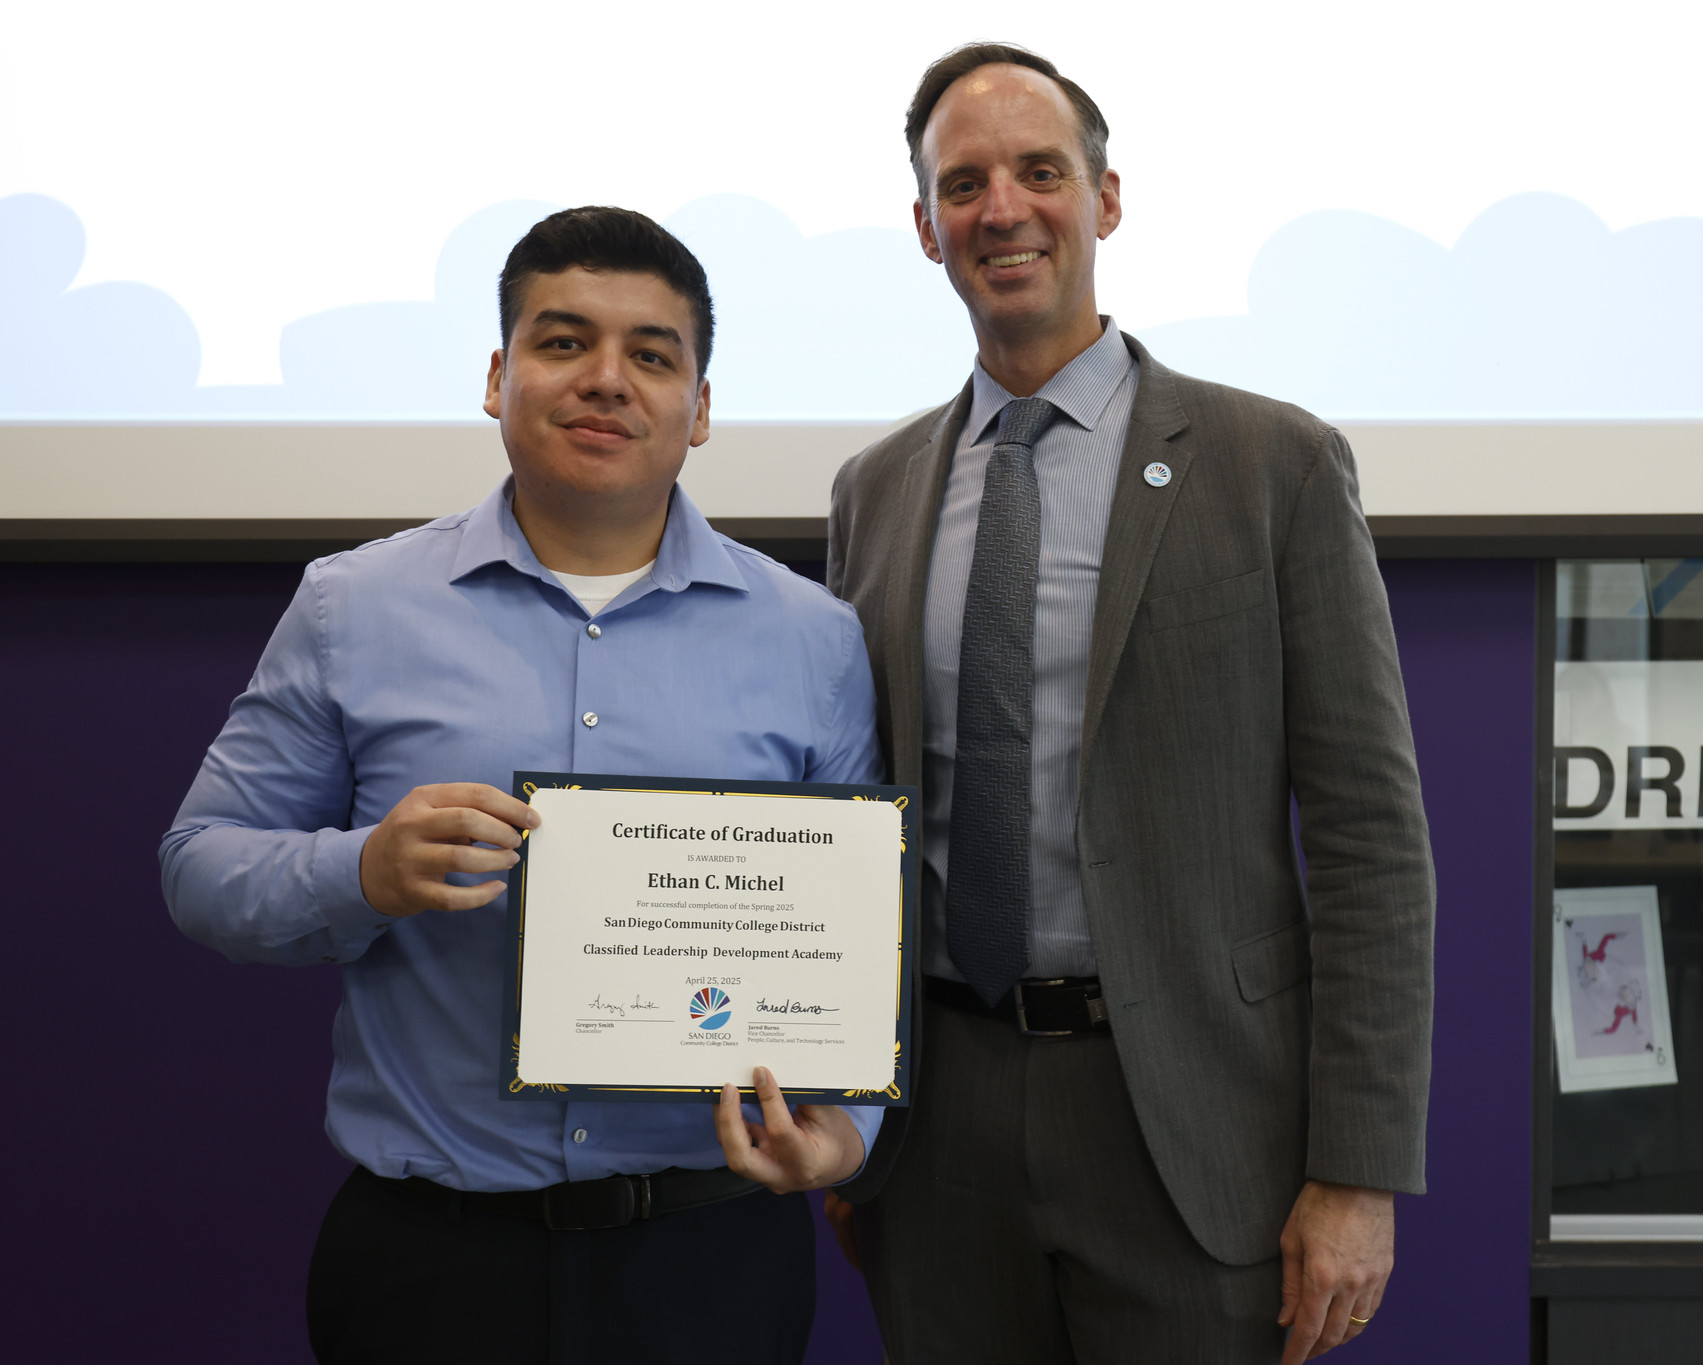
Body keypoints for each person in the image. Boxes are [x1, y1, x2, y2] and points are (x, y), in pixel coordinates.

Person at [160, 207, 881, 1364]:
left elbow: (866, 938)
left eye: (651, 355)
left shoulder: (813, 637)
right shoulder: (353, 606)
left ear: (698, 411)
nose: (605, 380)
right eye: (561, 343)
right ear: (497, 377)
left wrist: (848, 1134)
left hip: (711, 1263)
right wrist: (365, 871)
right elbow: (199, 868)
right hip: (432, 1267)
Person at [825, 44, 1435, 1365]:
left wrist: (1359, 1169)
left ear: (1106, 199)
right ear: (926, 227)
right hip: (939, 1122)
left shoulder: (1273, 463)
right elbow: (852, 820)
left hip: (1192, 1118)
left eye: (1041, 172)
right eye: (965, 182)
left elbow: (1372, 838)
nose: (1004, 209)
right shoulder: (872, 493)